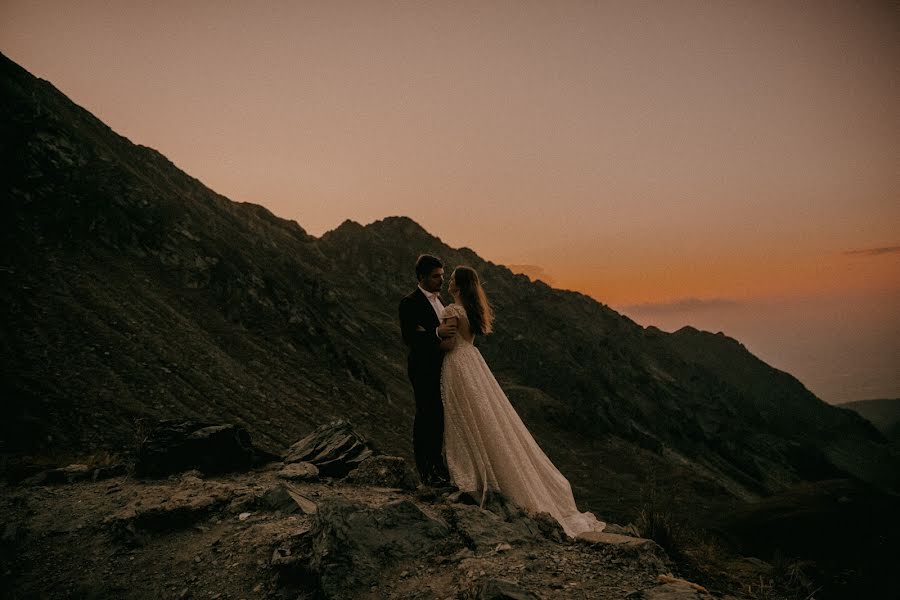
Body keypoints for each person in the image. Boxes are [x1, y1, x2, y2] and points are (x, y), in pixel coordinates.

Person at [439, 265, 606, 538]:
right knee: (483, 415)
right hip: (474, 362)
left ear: (459, 285)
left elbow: (447, 345)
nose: (449, 283)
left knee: (463, 414)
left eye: (453, 280)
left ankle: (473, 476)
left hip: (457, 364)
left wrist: (432, 334)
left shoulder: (451, 311)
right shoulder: (471, 311)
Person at [398, 254, 457, 485]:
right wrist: (436, 333)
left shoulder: (440, 302)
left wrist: (430, 332)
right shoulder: (409, 303)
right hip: (422, 368)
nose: (441, 280)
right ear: (421, 277)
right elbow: (410, 337)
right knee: (425, 416)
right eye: (435, 277)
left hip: (441, 368)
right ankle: (426, 470)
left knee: (438, 418)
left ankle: (437, 466)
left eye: (442, 275)